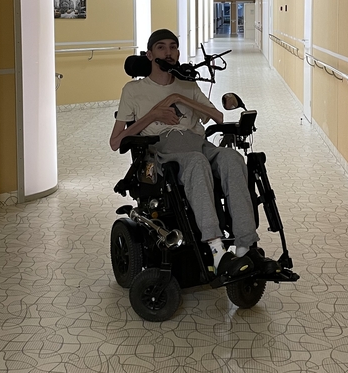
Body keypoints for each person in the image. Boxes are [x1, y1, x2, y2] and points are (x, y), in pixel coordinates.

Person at [110, 28, 280, 278]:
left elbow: (217, 116)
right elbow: (116, 141)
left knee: (232, 158)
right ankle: (217, 251)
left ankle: (246, 247)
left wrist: (179, 96)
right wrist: (153, 115)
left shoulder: (187, 84)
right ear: (149, 55)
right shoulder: (133, 90)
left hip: (198, 143)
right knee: (197, 163)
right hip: (163, 149)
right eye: (161, 47)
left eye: (173, 47)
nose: (168, 52)